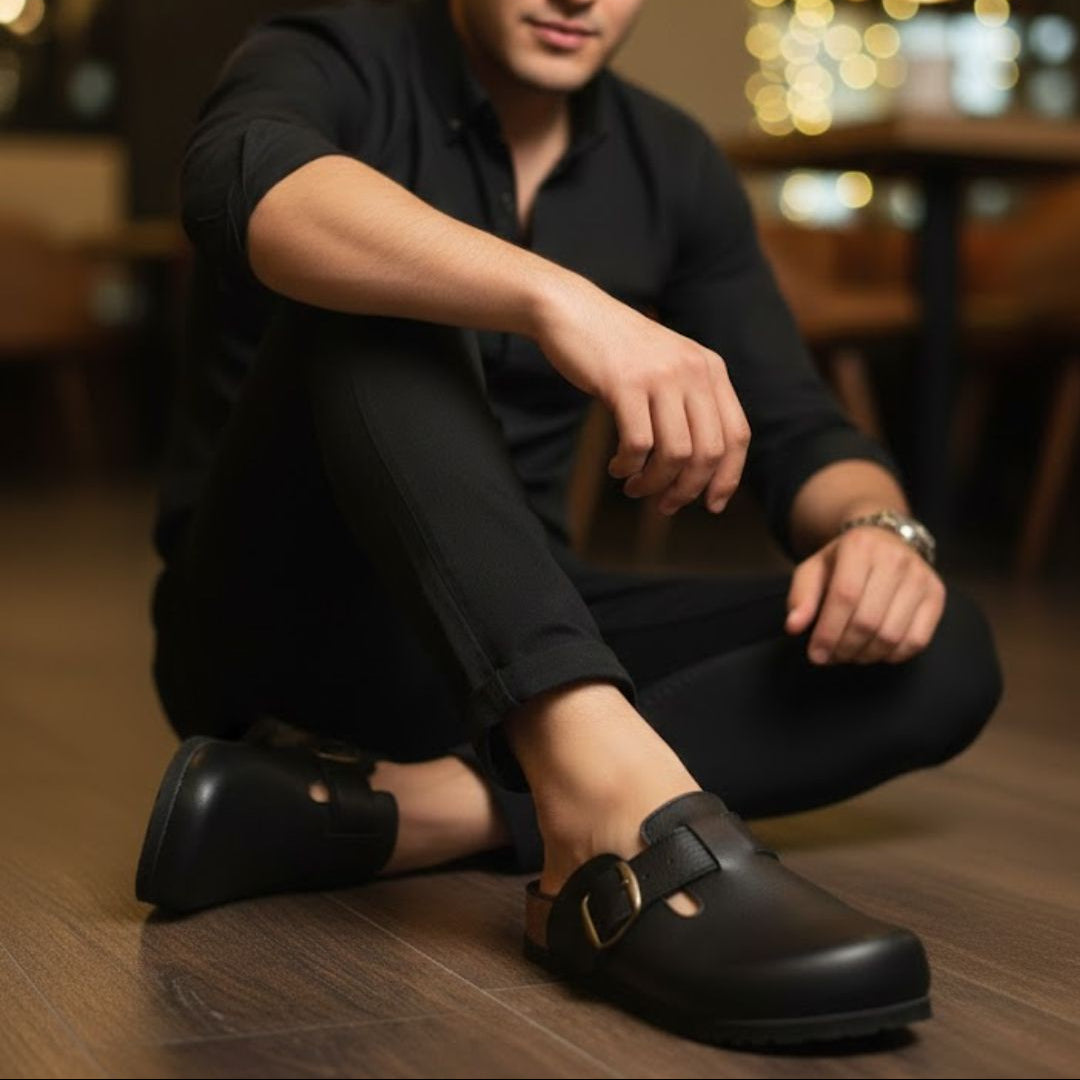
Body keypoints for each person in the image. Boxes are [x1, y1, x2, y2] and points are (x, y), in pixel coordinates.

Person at [136, 0, 1004, 1048]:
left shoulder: (670, 160)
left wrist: (877, 531)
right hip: (283, 622)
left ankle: (404, 813)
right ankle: (607, 822)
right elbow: (245, 175)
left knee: (935, 642)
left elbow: (797, 425)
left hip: (506, 628)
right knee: (388, 286)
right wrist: (559, 299)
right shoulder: (336, 48)